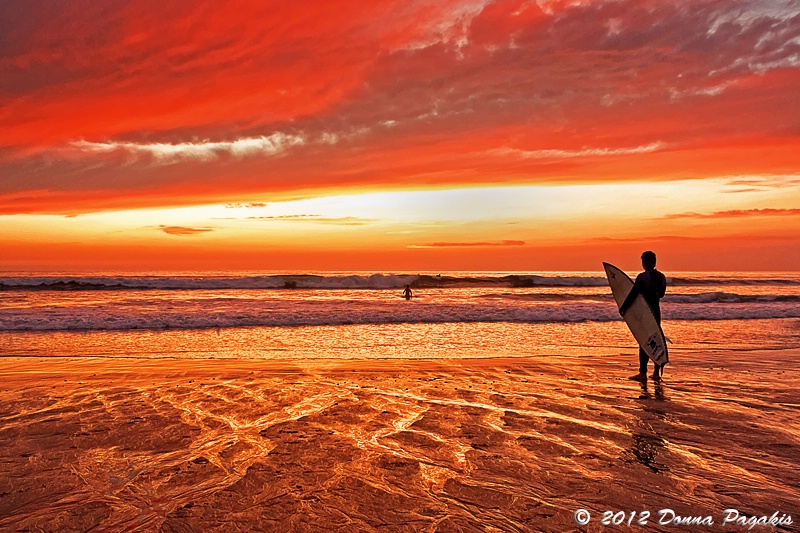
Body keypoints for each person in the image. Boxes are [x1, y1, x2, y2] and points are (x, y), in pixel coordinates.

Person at [619, 251, 667, 381]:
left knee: (644, 341)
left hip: (645, 313)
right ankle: (656, 372)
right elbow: (661, 294)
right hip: (656, 312)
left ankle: (642, 373)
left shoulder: (642, 277)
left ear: (644, 263)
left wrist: (623, 308)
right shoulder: (662, 277)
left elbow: (634, 294)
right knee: (656, 339)